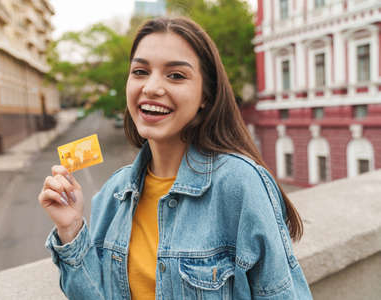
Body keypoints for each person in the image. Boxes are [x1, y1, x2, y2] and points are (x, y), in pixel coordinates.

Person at [39, 17, 312, 300]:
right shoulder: (113, 195)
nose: (152, 88)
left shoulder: (239, 184)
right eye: (141, 71)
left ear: (206, 94)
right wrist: (70, 228)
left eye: (176, 76)